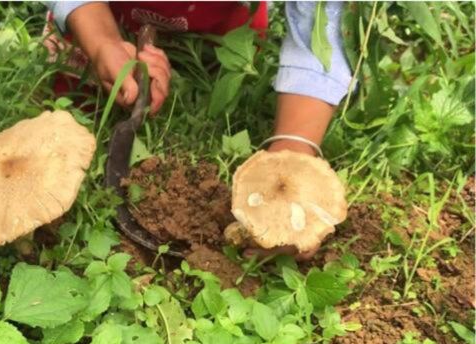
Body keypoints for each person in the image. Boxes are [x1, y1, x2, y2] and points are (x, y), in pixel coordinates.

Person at [45, 2, 352, 259]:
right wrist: (102, 41)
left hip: (221, 27)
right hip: (107, 14)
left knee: (210, 85)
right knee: (82, 96)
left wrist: (292, 155)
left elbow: (319, 23)